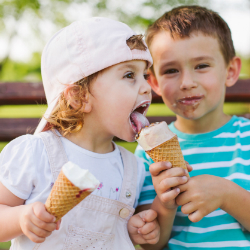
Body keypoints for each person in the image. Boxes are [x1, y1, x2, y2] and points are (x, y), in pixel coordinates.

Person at [0, 17, 160, 250]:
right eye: (129, 75)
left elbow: (109, 232)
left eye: (144, 75)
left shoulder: (133, 168)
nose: (147, 87)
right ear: (79, 97)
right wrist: (21, 218)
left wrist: (134, 229)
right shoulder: (36, 154)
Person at [135, 5, 250, 250]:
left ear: (230, 71)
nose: (187, 82)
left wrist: (227, 194)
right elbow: (151, 244)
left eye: (201, 66)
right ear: (154, 81)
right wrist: (164, 204)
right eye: (171, 70)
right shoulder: (149, 151)